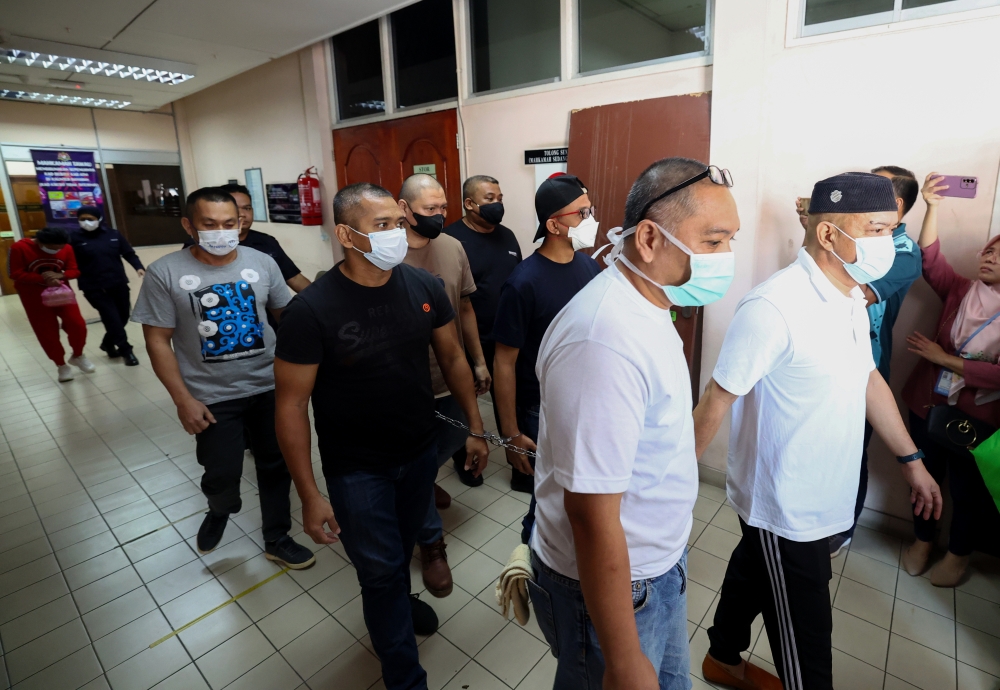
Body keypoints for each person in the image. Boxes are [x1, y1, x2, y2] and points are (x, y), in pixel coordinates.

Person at [694, 172, 943, 690]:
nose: (888, 244)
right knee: (806, 636)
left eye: (893, 229)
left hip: (824, 487)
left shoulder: (850, 295)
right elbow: (718, 398)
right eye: (876, 230)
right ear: (830, 234)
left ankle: (721, 656)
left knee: (752, 571)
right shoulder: (774, 307)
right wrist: (668, 495)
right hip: (786, 505)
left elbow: (867, 376)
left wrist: (911, 460)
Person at [529, 158, 738, 690]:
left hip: (654, 567)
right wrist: (623, 660)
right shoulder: (604, 339)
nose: (727, 258)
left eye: (730, 241)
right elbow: (591, 514)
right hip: (615, 589)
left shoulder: (651, 306)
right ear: (649, 238)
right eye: (713, 243)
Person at [273, 182, 490, 690]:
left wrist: (475, 430)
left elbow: (454, 358)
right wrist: (309, 495)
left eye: (397, 222)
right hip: (356, 469)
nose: (397, 234)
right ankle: (403, 676)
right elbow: (290, 406)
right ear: (347, 235)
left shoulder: (422, 287)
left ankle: (398, 600)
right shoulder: (312, 310)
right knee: (380, 571)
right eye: (382, 226)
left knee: (400, 552)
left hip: (418, 454)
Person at [132, 187, 314, 569]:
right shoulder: (166, 271)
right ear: (189, 225)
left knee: (275, 464)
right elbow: (157, 341)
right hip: (211, 396)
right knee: (222, 473)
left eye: (229, 223)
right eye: (209, 224)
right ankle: (220, 507)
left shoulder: (263, 262)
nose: (221, 231)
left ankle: (277, 537)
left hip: (269, 386)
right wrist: (183, 399)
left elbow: (287, 317)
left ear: (241, 222)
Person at [808, 166, 923, 557]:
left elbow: (848, 289)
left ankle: (839, 530)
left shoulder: (902, 254)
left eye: (877, 188)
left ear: (897, 206)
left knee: (851, 452)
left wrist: (827, 241)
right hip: (823, 366)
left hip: (865, 369)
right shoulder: (850, 242)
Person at [900, 173, 1000, 586]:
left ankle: (958, 557)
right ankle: (923, 541)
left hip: (977, 416)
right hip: (928, 402)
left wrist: (945, 358)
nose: (988, 256)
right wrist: (933, 206)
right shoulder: (961, 290)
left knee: (967, 492)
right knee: (924, 478)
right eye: (989, 250)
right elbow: (930, 258)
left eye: (999, 255)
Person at [398, 173, 491, 598]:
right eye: (429, 209)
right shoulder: (386, 254)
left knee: (451, 439)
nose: (439, 216)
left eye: (443, 208)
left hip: (450, 376)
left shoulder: (454, 248)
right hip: (406, 384)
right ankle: (432, 546)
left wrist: (478, 361)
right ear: (404, 209)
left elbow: (465, 308)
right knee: (412, 464)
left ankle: (423, 478)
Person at [493, 173, 601, 534]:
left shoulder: (589, 267)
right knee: (547, 495)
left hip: (585, 398)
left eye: (590, 210)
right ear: (554, 224)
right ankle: (534, 554)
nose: (591, 221)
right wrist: (509, 434)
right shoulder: (524, 282)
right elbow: (504, 362)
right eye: (581, 214)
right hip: (541, 406)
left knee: (582, 486)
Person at [444, 175, 522, 484]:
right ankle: (465, 461)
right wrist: (475, 360)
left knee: (510, 397)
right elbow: (456, 301)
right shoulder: (450, 241)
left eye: (500, 198)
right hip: (465, 341)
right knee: (464, 404)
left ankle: (518, 458)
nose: (498, 204)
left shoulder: (507, 236)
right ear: (469, 203)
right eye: (490, 198)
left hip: (507, 338)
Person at [9, 227, 94, 382]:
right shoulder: (19, 248)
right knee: (47, 332)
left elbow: (74, 270)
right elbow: (14, 273)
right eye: (53, 248)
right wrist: (42, 278)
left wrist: (62, 274)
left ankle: (78, 355)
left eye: (60, 248)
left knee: (77, 324)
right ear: (41, 242)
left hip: (63, 294)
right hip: (34, 298)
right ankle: (61, 365)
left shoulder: (66, 248)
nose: (56, 251)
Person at [69, 205, 145, 366]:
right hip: (93, 287)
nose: (86, 222)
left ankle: (107, 344)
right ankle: (126, 351)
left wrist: (138, 267)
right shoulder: (74, 238)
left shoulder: (113, 235)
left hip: (117, 283)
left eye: (90, 219)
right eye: (82, 219)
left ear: (99, 219)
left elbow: (128, 253)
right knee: (112, 319)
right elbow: (68, 261)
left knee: (123, 316)